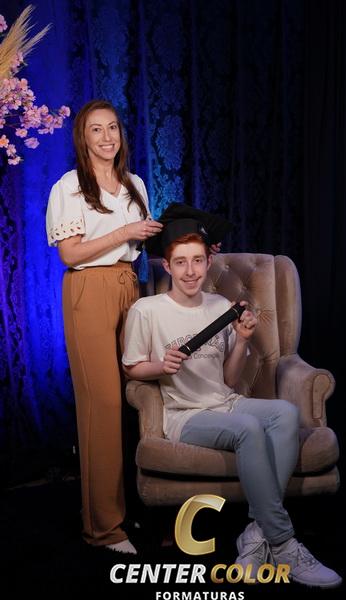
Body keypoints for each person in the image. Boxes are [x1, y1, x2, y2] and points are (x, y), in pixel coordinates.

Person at [121, 204, 342, 588]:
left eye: (197, 261)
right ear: (167, 266)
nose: (190, 271)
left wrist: (241, 341)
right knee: (248, 430)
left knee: (286, 414)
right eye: (180, 262)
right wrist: (160, 366)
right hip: (185, 415)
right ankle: (283, 542)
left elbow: (228, 378)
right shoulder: (147, 310)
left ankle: (256, 533)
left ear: (209, 262)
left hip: (225, 402)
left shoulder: (220, 307)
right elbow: (131, 369)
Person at [45, 99, 163, 554]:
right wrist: (123, 234)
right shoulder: (70, 186)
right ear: (83, 137)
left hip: (129, 285)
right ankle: (103, 528)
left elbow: (140, 245)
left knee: (134, 397)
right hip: (89, 289)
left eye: (112, 127)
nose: (107, 137)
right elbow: (71, 253)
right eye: (96, 129)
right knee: (102, 404)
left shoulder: (135, 184)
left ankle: (126, 505)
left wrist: (190, 242)